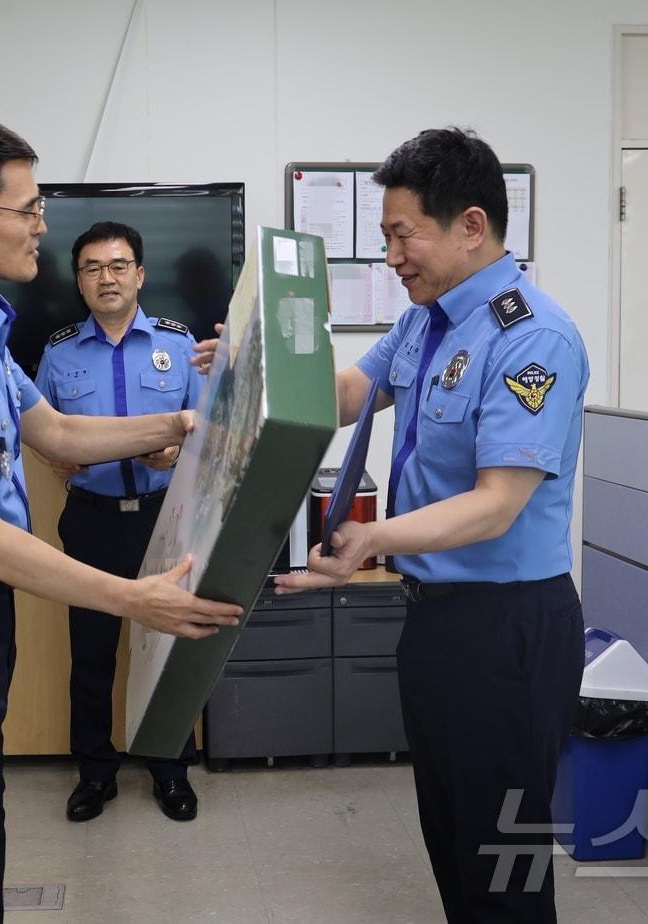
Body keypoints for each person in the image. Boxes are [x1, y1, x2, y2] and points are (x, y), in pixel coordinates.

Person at [0, 116, 243, 923]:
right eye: (27, 210)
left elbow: (59, 432)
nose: (42, 227)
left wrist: (182, 427)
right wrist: (135, 598)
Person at [267, 128, 589, 922]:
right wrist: (257, 373)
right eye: (384, 237)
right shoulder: (427, 320)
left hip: (507, 628)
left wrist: (372, 539)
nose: (392, 256)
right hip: (437, 623)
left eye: (401, 234)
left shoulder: (530, 336)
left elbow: (496, 503)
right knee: (452, 844)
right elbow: (349, 393)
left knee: (504, 867)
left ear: (470, 226)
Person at [34, 221, 203, 823]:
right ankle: (94, 773)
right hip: (93, 520)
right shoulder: (57, 352)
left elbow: (211, 429)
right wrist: (57, 458)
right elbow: (38, 430)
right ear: (79, 281)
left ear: (140, 275)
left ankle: (170, 769)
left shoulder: (180, 345)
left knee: (166, 650)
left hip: (165, 519)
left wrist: (181, 451)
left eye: (118, 265)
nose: (106, 277)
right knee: (93, 654)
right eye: (92, 268)